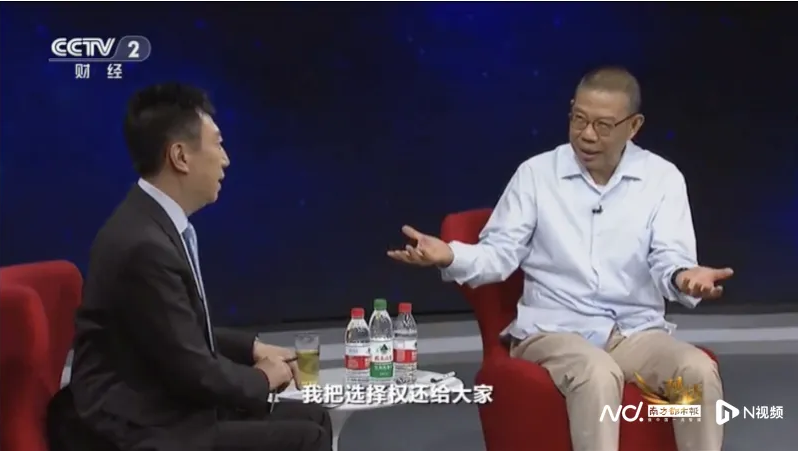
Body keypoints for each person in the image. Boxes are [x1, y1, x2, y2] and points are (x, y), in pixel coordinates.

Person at [388, 66, 732, 451]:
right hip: (553, 330)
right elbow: (498, 255)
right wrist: (450, 255)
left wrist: (685, 277)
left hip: (633, 333)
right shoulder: (537, 175)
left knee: (697, 371)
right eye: (579, 119)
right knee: (597, 372)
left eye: (603, 125)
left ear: (633, 126)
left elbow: (670, 258)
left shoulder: (662, 179)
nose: (587, 135)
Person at [50, 83, 332, 451]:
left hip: (161, 403)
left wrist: (252, 349)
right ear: (180, 156)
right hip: (138, 425)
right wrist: (262, 379)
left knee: (314, 418)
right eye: (218, 144)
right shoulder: (143, 246)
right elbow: (194, 370)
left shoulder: (152, 222)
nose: (226, 159)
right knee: (306, 438)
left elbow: (177, 332)